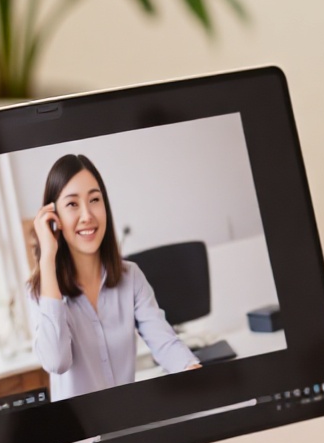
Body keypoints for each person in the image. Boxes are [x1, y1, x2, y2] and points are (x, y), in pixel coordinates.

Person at [25, 151, 199, 397]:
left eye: (95, 200)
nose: (87, 216)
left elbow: (165, 343)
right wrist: (47, 259)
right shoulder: (39, 291)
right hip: (79, 434)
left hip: (126, 424)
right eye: (72, 204)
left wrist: (195, 372)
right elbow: (56, 361)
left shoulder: (131, 277)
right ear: (55, 218)